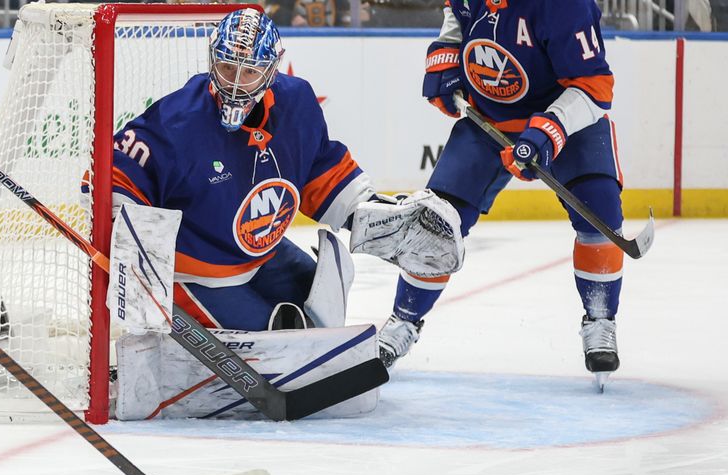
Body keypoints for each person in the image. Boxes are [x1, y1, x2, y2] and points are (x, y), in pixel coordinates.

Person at [102, 7, 460, 333]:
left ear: (272, 68)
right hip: (196, 276)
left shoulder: (297, 103)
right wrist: (129, 239)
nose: (236, 83)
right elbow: (116, 171)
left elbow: (320, 170)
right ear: (213, 60)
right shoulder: (179, 121)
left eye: (250, 71)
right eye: (227, 67)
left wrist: (369, 213)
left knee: (320, 311)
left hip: (262, 257)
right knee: (277, 340)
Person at [379, 0, 626, 385]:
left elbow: (594, 86)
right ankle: (403, 321)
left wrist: (549, 130)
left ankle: (599, 320)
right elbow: (456, 15)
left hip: (566, 122)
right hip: (487, 121)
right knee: (435, 224)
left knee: (601, 213)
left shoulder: (567, 5)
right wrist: (446, 53)